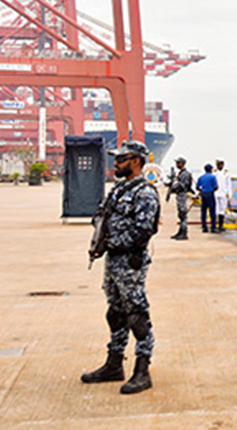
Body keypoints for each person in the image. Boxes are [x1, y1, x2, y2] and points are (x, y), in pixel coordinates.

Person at [81, 140, 160, 395]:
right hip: (113, 260)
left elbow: (144, 230)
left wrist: (113, 243)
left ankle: (142, 369)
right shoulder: (117, 190)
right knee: (115, 312)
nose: (116, 163)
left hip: (130, 261)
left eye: (122, 159)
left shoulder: (144, 193)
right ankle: (114, 363)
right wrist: (100, 240)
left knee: (136, 314)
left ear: (136, 161)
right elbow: (101, 215)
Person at [168, 156, 193, 240]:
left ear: (182, 164)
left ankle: (184, 233)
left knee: (183, 214)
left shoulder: (185, 174)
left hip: (182, 195)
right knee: (180, 214)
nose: (176, 165)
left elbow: (183, 185)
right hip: (180, 195)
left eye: (178, 163)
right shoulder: (181, 173)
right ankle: (180, 231)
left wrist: (174, 187)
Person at [196, 163, 219, 233]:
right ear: (211, 170)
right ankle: (213, 227)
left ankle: (204, 227)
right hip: (210, 194)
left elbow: (197, 187)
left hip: (203, 194)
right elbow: (216, 186)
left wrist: (202, 190)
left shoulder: (201, 177)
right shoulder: (213, 177)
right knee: (212, 211)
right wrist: (212, 190)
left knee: (203, 211)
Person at [214, 159, 231, 232]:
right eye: (218, 165)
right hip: (215, 193)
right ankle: (215, 226)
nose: (219, 166)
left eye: (221, 164)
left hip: (223, 193)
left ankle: (221, 225)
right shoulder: (214, 173)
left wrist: (228, 193)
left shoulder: (226, 173)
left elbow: (228, 184)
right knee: (215, 210)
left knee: (222, 210)